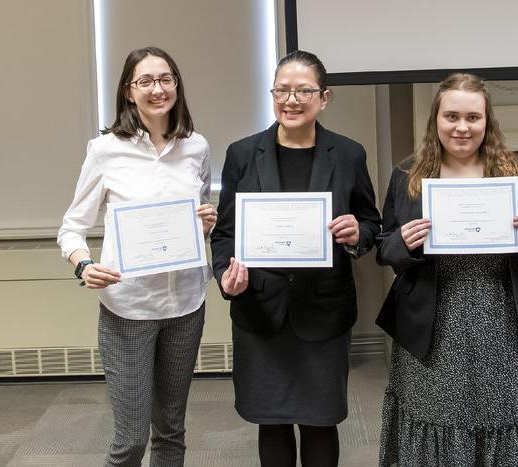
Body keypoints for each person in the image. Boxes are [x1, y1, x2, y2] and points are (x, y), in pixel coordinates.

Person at [376, 73, 518, 466]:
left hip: (509, 320)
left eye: (473, 118)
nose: (462, 127)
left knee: (511, 415)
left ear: (487, 121)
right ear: (436, 121)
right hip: (434, 323)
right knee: (439, 419)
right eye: (452, 116)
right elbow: (384, 247)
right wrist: (404, 242)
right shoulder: (408, 176)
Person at [210, 50, 381, 467]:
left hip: (323, 308)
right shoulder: (243, 154)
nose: (292, 99)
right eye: (282, 90)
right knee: (271, 421)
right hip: (261, 309)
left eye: (303, 90)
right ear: (272, 95)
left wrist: (358, 233)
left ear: (323, 98)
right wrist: (224, 277)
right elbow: (226, 233)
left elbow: (372, 222)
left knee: (321, 421)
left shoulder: (347, 154)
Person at [57, 46, 216, 466]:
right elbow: (71, 227)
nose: (157, 89)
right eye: (145, 81)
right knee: (130, 440)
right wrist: (83, 265)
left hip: (186, 304)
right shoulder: (105, 150)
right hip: (128, 308)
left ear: (177, 85)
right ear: (129, 92)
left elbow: (196, 217)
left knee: (171, 431)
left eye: (165, 79)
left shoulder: (196, 147)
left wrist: (205, 223)